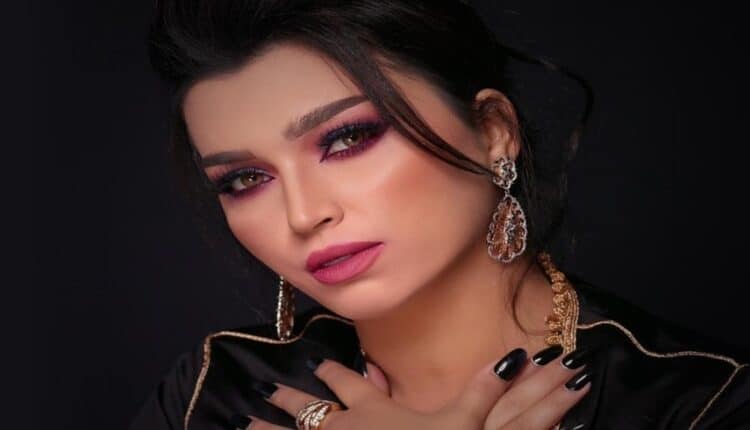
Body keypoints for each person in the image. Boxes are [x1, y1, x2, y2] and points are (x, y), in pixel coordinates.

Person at [130, 1, 750, 429]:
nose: (303, 214)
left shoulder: (702, 404)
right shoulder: (215, 391)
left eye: (347, 139)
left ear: (493, 131)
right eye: (245, 179)